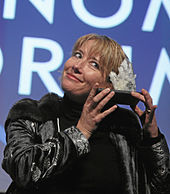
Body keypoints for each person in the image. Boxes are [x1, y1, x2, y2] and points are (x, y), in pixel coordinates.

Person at [2, 33, 170, 194]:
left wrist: (152, 138)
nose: (76, 66)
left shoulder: (124, 128)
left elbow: (160, 188)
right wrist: (81, 131)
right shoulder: (32, 113)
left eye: (94, 64)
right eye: (78, 55)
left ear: (110, 85)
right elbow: (22, 170)